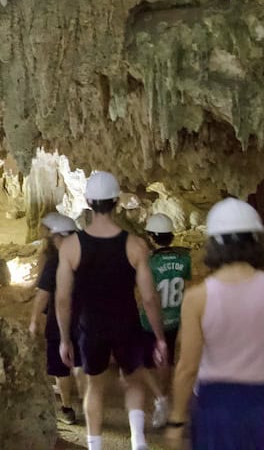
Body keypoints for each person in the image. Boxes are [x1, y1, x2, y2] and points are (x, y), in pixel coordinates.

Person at [165, 198, 264, 449]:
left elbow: (187, 368)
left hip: (216, 405)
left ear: (213, 244)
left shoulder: (197, 298)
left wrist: (177, 420)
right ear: (256, 241)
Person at [56, 171, 167, 450]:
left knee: (94, 385)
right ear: (116, 202)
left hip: (90, 326)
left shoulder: (71, 246)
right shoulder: (135, 245)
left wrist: (64, 339)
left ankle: (95, 445)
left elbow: (62, 299)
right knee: (133, 381)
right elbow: (150, 298)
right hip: (126, 324)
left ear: (88, 202)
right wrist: (159, 336)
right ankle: (138, 441)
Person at [29, 212, 86, 425]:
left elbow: (43, 294)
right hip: (84, 321)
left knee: (62, 367)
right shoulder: (86, 257)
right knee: (80, 363)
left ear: (60, 237)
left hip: (58, 322)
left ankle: (67, 408)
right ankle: (87, 400)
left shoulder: (55, 262)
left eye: (53, 238)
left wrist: (34, 320)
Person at [138, 213, 191, 429]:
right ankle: (164, 396)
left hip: (150, 321)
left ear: (151, 237)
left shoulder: (149, 262)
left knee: (138, 361)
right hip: (174, 318)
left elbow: (147, 296)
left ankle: (160, 398)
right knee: (166, 360)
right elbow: (187, 285)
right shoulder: (184, 258)